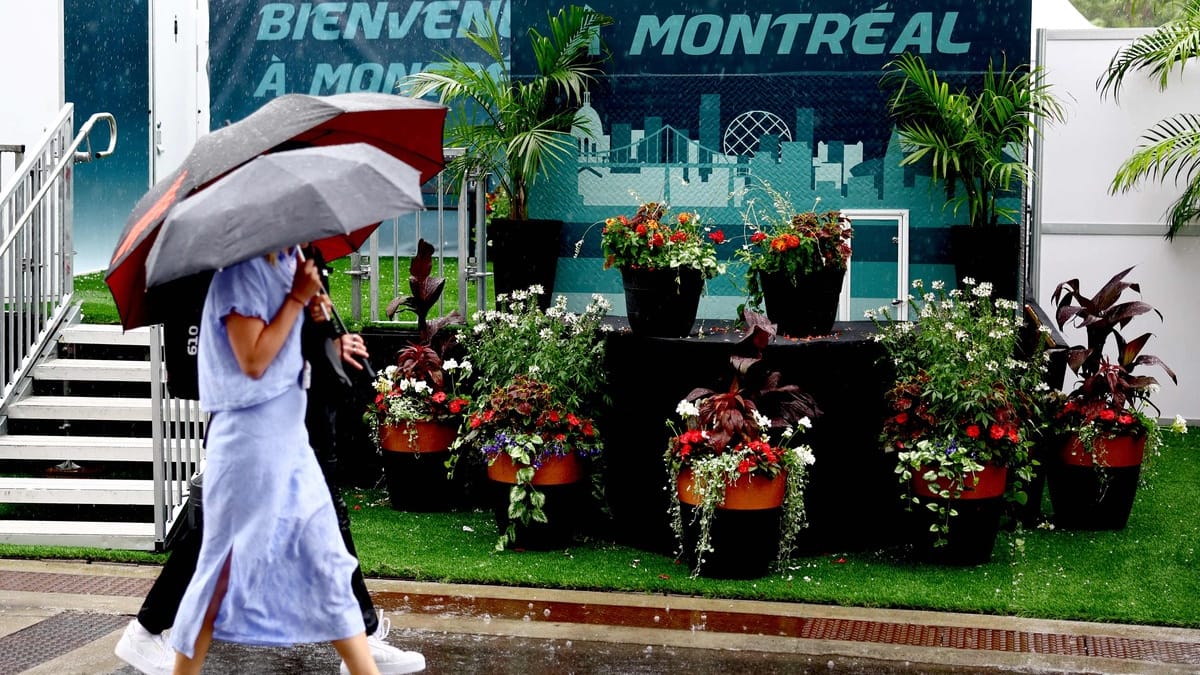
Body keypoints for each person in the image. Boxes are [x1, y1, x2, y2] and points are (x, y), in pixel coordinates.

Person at [114, 248, 420, 675]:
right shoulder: (238, 273)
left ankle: (363, 656)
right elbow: (254, 360)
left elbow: (289, 347)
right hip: (249, 443)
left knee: (326, 557)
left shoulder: (294, 261)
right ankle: (153, 637)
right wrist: (297, 299)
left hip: (290, 434)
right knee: (219, 573)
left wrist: (325, 332)